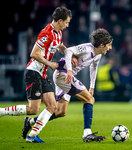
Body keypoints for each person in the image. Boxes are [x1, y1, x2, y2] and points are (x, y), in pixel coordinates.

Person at [23, 28, 113, 142]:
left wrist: (92, 86)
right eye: (108, 45)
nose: (110, 48)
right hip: (63, 75)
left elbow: (93, 68)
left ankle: (30, 121)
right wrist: (70, 70)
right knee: (89, 99)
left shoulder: (98, 55)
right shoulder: (86, 48)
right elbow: (69, 50)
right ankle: (87, 134)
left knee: (61, 112)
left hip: (64, 76)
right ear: (101, 45)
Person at [0, 6, 75, 143]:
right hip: (33, 72)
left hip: (43, 74)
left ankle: (32, 136)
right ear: (59, 21)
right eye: (66, 22)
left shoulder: (58, 33)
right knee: (33, 109)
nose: (67, 25)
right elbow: (34, 54)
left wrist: (70, 53)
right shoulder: (46, 33)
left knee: (52, 106)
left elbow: (59, 46)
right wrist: (50, 64)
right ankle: (2, 112)